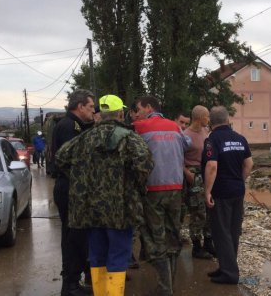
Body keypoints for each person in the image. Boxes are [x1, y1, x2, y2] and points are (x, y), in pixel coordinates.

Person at [55, 95, 153, 296]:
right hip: (120, 210)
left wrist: (82, 180)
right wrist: (132, 184)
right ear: (120, 114)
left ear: (100, 114)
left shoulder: (83, 138)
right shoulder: (129, 138)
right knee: (118, 255)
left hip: (90, 211)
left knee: (97, 255)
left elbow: (61, 158)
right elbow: (145, 165)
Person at [133, 96, 190, 295]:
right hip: (175, 188)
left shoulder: (139, 127)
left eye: (139, 108)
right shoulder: (175, 127)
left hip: (153, 190)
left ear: (149, 107)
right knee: (173, 236)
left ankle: (165, 288)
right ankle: (169, 285)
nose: (137, 112)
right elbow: (187, 144)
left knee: (155, 238)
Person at [47, 89, 96, 296]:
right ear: (80, 106)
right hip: (70, 188)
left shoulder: (75, 125)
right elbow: (70, 161)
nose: (94, 111)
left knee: (77, 235)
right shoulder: (69, 126)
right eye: (91, 107)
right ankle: (70, 285)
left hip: (73, 187)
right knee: (72, 237)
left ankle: (74, 282)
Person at [203, 106, 253, 284]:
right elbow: (249, 163)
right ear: (227, 120)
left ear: (211, 122)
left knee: (221, 232)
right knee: (232, 231)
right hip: (237, 191)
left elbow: (212, 166)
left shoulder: (212, 140)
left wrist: (207, 190)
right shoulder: (240, 138)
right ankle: (225, 267)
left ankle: (230, 274)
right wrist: (239, 180)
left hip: (220, 192)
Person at [183, 105, 214, 259]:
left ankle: (208, 242)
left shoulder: (205, 132)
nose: (208, 119)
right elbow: (177, 157)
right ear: (200, 117)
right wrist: (186, 172)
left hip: (205, 173)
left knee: (209, 209)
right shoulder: (185, 135)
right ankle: (196, 246)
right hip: (193, 176)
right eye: (207, 116)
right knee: (197, 212)